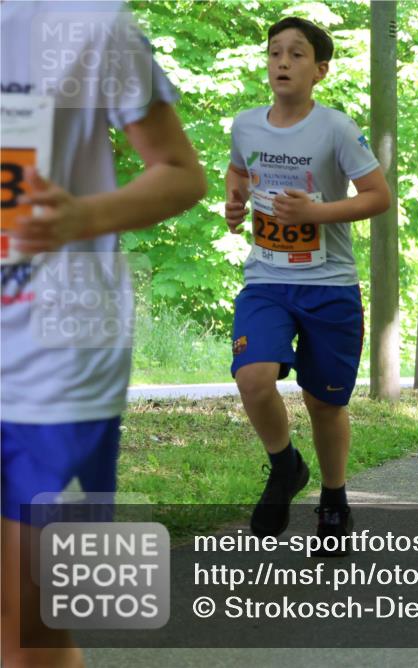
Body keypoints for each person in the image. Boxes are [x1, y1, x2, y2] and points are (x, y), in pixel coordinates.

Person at [1, 3, 206, 665]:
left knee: (25, 622)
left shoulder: (89, 26)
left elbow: (181, 172)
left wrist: (77, 218)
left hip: (47, 357)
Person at [225, 18, 390, 548]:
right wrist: (235, 201)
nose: (282, 62)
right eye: (275, 53)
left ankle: (335, 500)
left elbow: (377, 196)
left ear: (320, 70)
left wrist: (317, 211)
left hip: (330, 285)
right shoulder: (246, 125)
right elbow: (238, 172)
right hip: (267, 278)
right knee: (253, 376)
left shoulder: (337, 129)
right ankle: (284, 465)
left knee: (324, 404)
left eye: (297, 55)